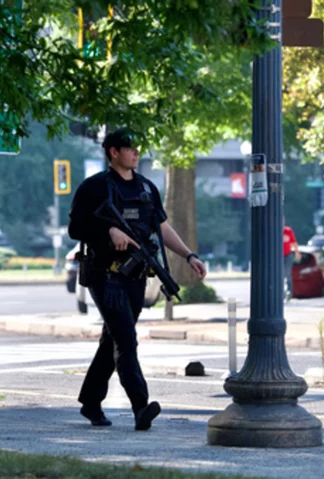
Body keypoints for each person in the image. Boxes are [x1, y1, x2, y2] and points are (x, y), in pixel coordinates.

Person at [68, 128, 207, 431]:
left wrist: (189, 256)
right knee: (126, 340)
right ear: (113, 152)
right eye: (129, 148)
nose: (136, 153)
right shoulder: (94, 187)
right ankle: (140, 407)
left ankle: (91, 401)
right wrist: (108, 231)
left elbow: (162, 228)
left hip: (135, 276)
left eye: (137, 148)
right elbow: (76, 228)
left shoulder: (146, 187)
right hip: (105, 275)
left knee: (113, 340)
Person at [283, 219, 301, 301]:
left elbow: (294, 242)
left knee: (287, 274)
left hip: (287, 255)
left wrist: (297, 252)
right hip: (278, 257)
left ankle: (289, 292)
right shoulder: (274, 231)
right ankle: (281, 292)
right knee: (279, 275)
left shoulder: (288, 231)